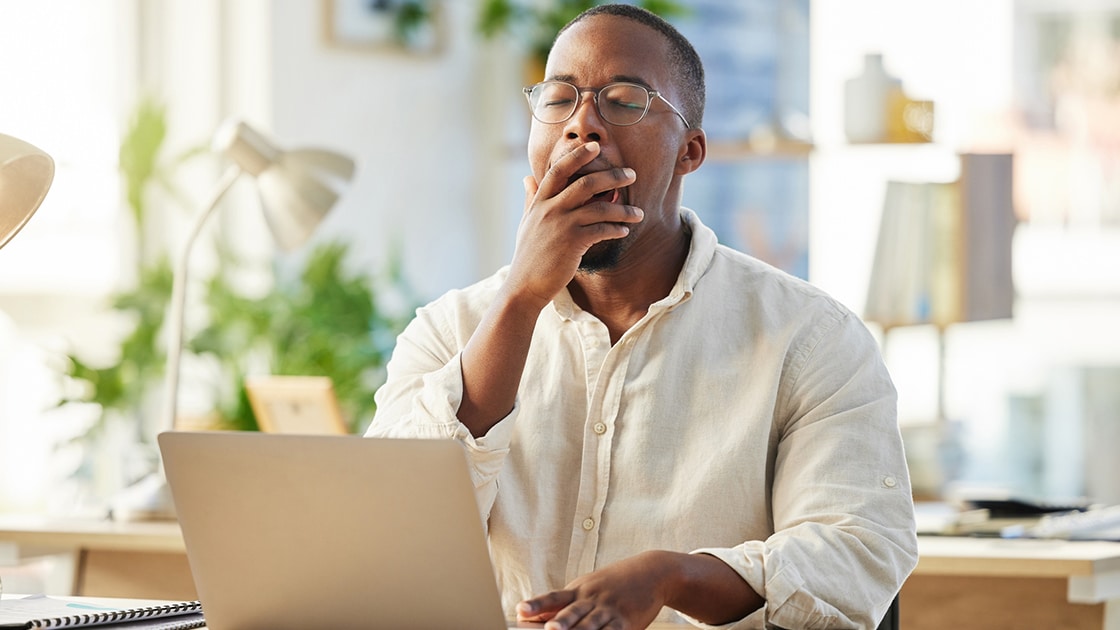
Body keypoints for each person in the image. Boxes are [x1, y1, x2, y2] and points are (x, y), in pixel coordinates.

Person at [366, 4, 918, 629]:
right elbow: (388, 546)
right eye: (558, 98)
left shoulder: (813, 340)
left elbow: (857, 556)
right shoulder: (447, 333)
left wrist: (673, 575)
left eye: (624, 101)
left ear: (690, 152)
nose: (581, 128)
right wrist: (520, 300)